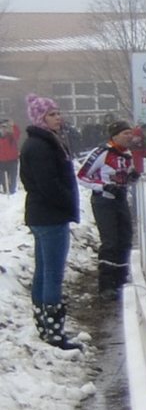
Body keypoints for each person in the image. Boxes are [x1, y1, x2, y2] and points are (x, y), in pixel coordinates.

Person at [19, 94, 83, 349]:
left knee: (44, 271)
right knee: (51, 273)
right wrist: (67, 201)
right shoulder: (41, 145)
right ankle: (54, 332)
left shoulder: (43, 142)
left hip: (43, 214)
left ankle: (45, 326)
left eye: (58, 112)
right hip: (49, 216)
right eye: (52, 114)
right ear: (40, 118)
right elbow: (48, 184)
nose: (59, 117)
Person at [77, 120, 141, 299]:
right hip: (103, 201)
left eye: (131, 133)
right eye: (125, 134)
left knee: (125, 238)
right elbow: (81, 176)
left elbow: (125, 178)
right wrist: (103, 186)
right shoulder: (101, 152)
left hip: (120, 199)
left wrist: (133, 177)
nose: (130, 137)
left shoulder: (127, 154)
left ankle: (121, 278)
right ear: (115, 136)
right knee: (110, 240)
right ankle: (106, 284)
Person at [0, 118, 22, 193]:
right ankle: (5, 190)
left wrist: (13, 125)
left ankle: (12, 191)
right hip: (1, 161)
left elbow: (17, 133)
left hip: (12, 161)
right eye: (2, 127)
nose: (3, 129)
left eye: (5, 127)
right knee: (2, 177)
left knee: (13, 177)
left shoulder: (11, 136)